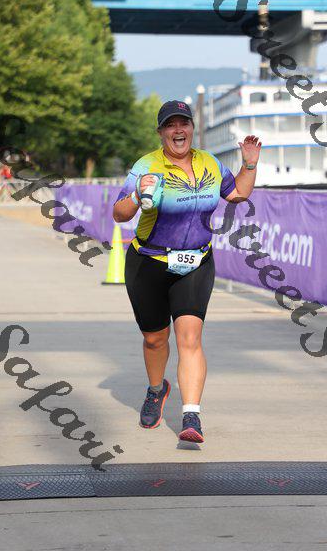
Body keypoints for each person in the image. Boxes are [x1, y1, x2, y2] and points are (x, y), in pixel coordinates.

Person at [113, 100, 262, 443]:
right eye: (170, 125)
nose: (178, 130)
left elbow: (237, 193)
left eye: (184, 123)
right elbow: (119, 214)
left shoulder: (210, 162)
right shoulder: (147, 165)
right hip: (149, 262)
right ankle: (156, 389)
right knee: (155, 339)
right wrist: (136, 194)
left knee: (190, 339)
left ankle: (191, 415)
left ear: (193, 128)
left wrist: (249, 164)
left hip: (196, 262)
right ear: (161, 132)